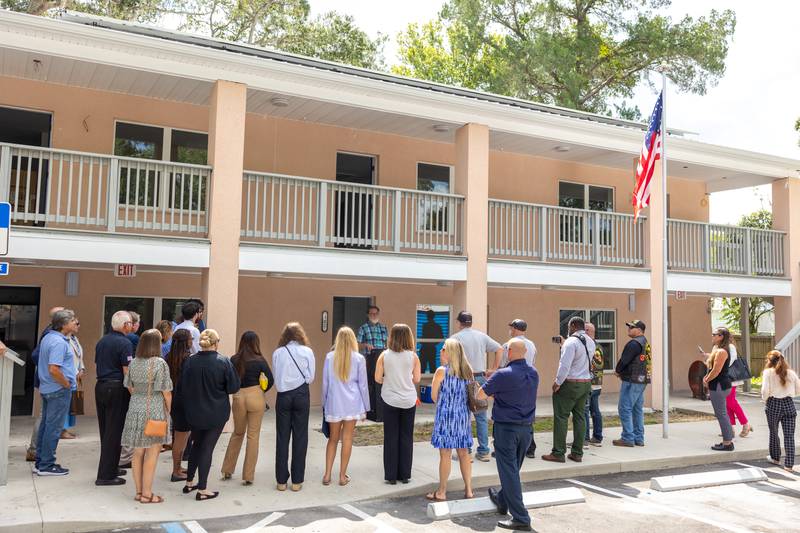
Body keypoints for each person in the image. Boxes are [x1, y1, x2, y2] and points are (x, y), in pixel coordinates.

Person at [478, 339, 539, 531]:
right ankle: (502, 500)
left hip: (507, 428)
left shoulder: (502, 374)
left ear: (510, 351)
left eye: (505, 350)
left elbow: (480, 395)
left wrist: (497, 393)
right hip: (526, 430)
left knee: (509, 472)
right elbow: (521, 393)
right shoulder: (534, 373)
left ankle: (521, 517)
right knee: (512, 471)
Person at [181, 329, 240, 500]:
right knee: (207, 448)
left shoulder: (190, 361)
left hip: (194, 410)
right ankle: (203, 488)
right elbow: (233, 387)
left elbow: (183, 386)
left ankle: (190, 481)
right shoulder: (223, 362)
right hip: (216, 411)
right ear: (216, 343)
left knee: (196, 444)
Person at [121, 329, 173, 504]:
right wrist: (169, 411)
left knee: (137, 452)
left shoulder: (134, 362)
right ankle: (147, 494)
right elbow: (166, 392)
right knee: (153, 452)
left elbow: (129, 385)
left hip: (135, 407)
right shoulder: (160, 363)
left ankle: (138, 492)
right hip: (154, 409)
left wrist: (139, 396)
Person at [222, 331, 274, 485]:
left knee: (237, 433)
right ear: (255, 343)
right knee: (253, 436)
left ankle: (227, 470)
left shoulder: (234, 359)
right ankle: (248, 476)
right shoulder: (260, 360)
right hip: (256, 395)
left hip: (239, 397)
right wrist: (260, 390)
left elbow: (229, 380)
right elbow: (270, 380)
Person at [451, 311, 502, 462]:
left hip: (463, 377)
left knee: (464, 416)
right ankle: (484, 451)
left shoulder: (455, 338)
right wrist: (493, 368)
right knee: (481, 416)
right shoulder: (481, 336)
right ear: (470, 322)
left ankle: (466, 452)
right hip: (479, 377)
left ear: (459, 322)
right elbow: (500, 349)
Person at [321, 327, 369, 486]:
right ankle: (342, 476)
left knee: (333, 439)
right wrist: (366, 407)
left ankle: (327, 475)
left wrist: (324, 403)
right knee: (347, 438)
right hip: (352, 403)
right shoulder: (359, 358)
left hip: (334, 402)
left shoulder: (329, 357)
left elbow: (325, 384)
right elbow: (363, 385)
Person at [542, 316, 594, 464]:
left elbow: (565, 365)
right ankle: (577, 452)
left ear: (572, 326)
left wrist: (557, 382)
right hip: (585, 383)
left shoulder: (571, 342)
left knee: (561, 417)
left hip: (570, 383)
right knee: (580, 417)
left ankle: (558, 453)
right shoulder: (590, 341)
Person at [427, 338, 474, 502]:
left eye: (443, 349)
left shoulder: (441, 371)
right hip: (462, 417)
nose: (441, 351)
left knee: (445, 455)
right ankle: (469, 490)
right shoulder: (467, 371)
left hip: (446, 417)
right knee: (464, 453)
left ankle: (442, 491)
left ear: (450, 353)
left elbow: (434, 397)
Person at [34, 309, 79, 477]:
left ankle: (40, 462)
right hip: (57, 389)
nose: (76, 323)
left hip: (48, 388)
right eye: (73, 320)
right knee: (53, 428)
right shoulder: (59, 342)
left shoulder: (49, 337)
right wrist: (66, 383)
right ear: (64, 324)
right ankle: (46, 465)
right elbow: (54, 369)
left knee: (46, 426)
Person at [375, 323, 421, 484]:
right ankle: (405, 475)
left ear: (392, 337)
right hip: (408, 399)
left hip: (389, 399)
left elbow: (377, 378)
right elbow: (417, 379)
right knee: (406, 437)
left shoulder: (384, 355)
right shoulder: (413, 357)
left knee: (390, 437)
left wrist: (388, 378)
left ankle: (391, 476)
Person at [272, 322, 315, 492]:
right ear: (300, 335)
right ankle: (297, 481)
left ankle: (281, 481)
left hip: (283, 395)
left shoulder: (278, 353)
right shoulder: (307, 352)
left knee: (282, 438)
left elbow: (276, 376)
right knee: (300, 437)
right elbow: (310, 377)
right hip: (301, 394)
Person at [95, 310, 135, 485]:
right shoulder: (124, 343)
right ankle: (106, 475)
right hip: (116, 388)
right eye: (130, 323)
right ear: (125, 325)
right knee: (115, 431)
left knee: (106, 430)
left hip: (101, 386)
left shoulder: (102, 341)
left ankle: (111, 467)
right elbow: (127, 371)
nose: (132, 326)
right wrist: (135, 393)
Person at [26, 306, 64, 462]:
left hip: (53, 380)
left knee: (49, 416)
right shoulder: (51, 334)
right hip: (52, 381)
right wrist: (49, 372)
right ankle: (36, 450)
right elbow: (36, 355)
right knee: (45, 416)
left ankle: (39, 450)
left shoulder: (55, 334)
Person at [495, 319, 537, 458]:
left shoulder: (508, 345)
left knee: (507, 414)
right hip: (527, 382)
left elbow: (502, 364)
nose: (510, 330)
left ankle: (502, 446)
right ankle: (529, 448)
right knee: (527, 415)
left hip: (511, 382)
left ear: (514, 329)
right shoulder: (531, 345)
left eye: (511, 327)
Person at [761, 350, 800, 472]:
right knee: (789, 436)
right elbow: (798, 389)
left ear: (769, 361)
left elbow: (765, 391)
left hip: (774, 404)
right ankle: (789, 465)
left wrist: (765, 400)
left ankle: (775, 458)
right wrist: (789, 394)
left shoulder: (768, 373)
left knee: (774, 432)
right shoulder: (791, 373)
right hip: (789, 404)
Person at [613, 320, 650, 448]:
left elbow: (624, 360)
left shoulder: (634, 344)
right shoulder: (644, 342)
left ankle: (628, 437)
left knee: (625, 408)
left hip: (632, 380)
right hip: (641, 380)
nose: (629, 329)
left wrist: (618, 371)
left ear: (639, 330)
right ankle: (638, 438)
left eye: (632, 327)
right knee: (636, 409)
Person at [165, 329, 192, 482]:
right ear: (185, 341)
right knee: (181, 438)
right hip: (185, 401)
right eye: (190, 338)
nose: (192, 341)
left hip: (174, 399)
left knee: (180, 436)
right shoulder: (187, 359)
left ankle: (178, 466)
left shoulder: (169, 357)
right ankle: (176, 470)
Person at [703, 327, 735, 451]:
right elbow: (712, 367)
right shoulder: (718, 350)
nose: (712, 336)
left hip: (719, 385)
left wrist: (706, 379)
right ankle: (728, 439)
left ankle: (727, 443)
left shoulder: (722, 351)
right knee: (722, 413)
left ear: (721, 337)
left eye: (714, 334)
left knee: (721, 414)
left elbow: (716, 370)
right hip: (720, 385)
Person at [61, 327, 85, 440]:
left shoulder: (75, 338)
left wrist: (82, 369)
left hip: (76, 374)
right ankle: (62, 430)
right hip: (68, 376)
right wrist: (75, 372)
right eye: (76, 323)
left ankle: (65, 429)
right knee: (65, 405)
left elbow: (79, 356)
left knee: (72, 404)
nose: (78, 325)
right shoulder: (63, 340)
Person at [726, 343, 753, 438]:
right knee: (727, 403)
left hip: (731, 378)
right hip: (723, 378)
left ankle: (745, 424)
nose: (714, 336)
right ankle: (730, 428)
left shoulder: (730, 346)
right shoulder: (718, 346)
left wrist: (720, 365)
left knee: (731, 401)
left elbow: (731, 360)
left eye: (716, 335)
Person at [584, 323, 604, 447]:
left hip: (589, 384)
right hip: (598, 384)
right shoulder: (599, 346)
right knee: (595, 411)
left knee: (584, 411)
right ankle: (597, 437)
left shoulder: (589, 346)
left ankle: (584, 439)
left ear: (587, 331)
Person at [419, 309, 444, 374]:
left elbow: (441, 338)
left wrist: (429, 343)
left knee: (423, 367)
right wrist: (433, 343)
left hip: (425, 348)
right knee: (432, 367)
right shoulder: (437, 326)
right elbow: (441, 338)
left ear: (427, 316)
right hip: (431, 348)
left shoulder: (425, 326)